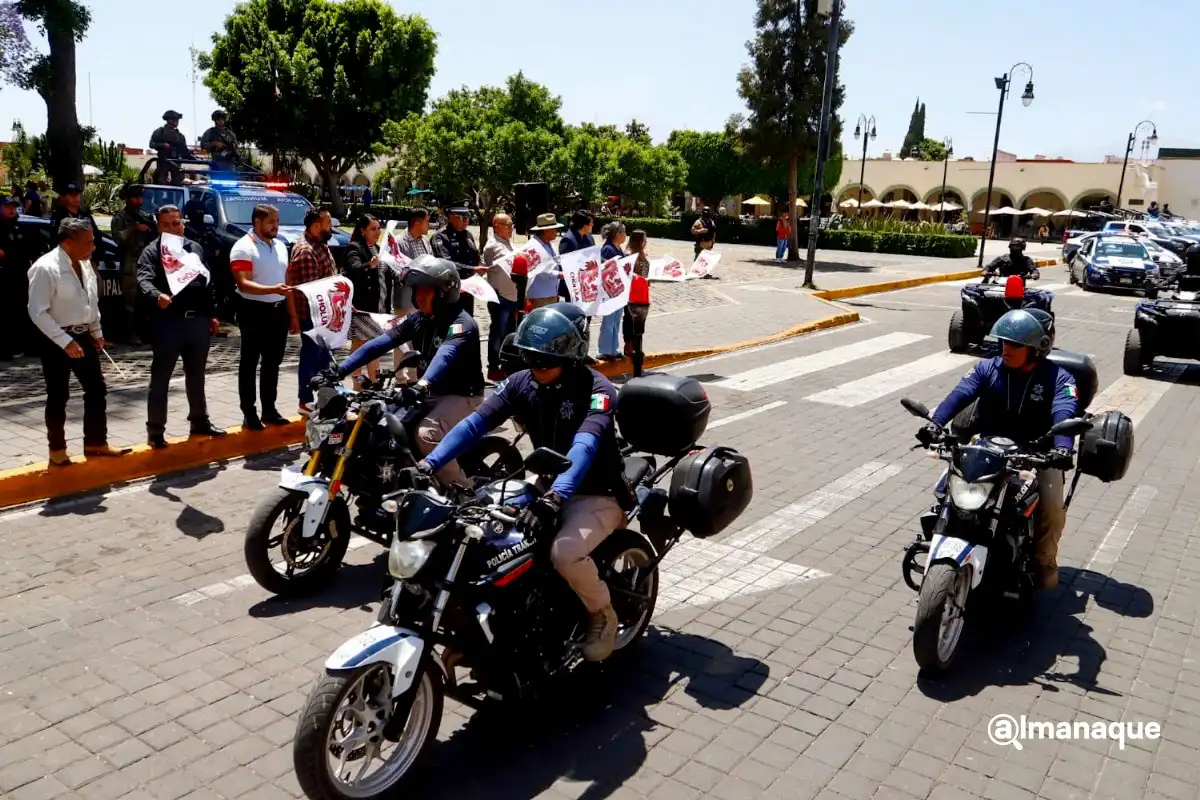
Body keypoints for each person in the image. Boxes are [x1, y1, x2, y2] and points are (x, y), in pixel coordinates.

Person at [417, 303, 626, 661]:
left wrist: (555, 498)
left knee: (565, 553)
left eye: (545, 360)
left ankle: (602, 613)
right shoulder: (520, 382)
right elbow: (472, 425)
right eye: (531, 357)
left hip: (596, 492)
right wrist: (428, 462)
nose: (537, 367)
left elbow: (585, 445)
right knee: (483, 535)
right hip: (546, 484)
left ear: (572, 354)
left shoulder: (599, 389)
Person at [918, 309, 1077, 589]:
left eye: (1015, 344)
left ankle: (1044, 560)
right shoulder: (986, 368)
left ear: (1037, 347)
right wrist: (935, 423)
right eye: (1004, 342)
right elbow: (959, 395)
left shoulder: (1060, 378)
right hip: (987, 447)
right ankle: (939, 539)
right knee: (946, 488)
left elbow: (1064, 412)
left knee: (1052, 509)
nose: (1007, 349)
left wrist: (1062, 449)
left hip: (1037, 455)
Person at [322, 256, 484, 485]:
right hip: (428, 393)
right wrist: (339, 369)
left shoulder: (461, 324)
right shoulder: (419, 319)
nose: (418, 296)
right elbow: (382, 342)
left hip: (462, 396)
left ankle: (461, 490)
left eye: (425, 291)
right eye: (416, 290)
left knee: (426, 435)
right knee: (381, 425)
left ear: (442, 292)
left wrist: (422, 384)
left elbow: (444, 356)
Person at [27, 218, 131, 464]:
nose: (93, 247)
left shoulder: (84, 265)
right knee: (58, 395)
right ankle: (57, 450)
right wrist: (65, 341)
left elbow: (90, 302)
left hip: (83, 334)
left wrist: (96, 332)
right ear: (67, 242)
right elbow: (37, 311)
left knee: (96, 389)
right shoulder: (46, 268)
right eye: (88, 242)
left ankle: (96, 442)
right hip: (55, 338)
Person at [137, 205, 227, 447]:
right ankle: (155, 431)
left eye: (177, 223)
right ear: (159, 227)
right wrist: (157, 295)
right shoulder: (152, 252)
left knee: (197, 376)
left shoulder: (193, 248)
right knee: (161, 378)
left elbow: (208, 282)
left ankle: (199, 421)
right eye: (167, 224)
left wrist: (212, 314)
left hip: (197, 321)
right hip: (168, 323)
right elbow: (143, 279)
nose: (173, 228)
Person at [230, 204, 292, 429]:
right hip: (253, 311)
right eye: (271, 221)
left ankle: (269, 409)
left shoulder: (281, 246)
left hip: (278, 310)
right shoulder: (243, 247)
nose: (276, 225)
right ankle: (249, 412)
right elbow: (243, 283)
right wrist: (272, 290)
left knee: (272, 363)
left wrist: (291, 314)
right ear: (257, 222)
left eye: (277, 221)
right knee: (249, 362)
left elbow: (287, 281)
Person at [285, 208, 337, 414]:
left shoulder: (320, 245)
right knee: (311, 358)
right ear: (316, 225)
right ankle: (305, 400)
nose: (331, 227)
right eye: (328, 223)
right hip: (313, 316)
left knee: (325, 359)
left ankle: (326, 398)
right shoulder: (306, 251)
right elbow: (313, 291)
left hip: (324, 316)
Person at [343, 213, 390, 385]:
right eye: (373, 229)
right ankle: (357, 385)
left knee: (376, 346)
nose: (377, 232)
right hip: (362, 307)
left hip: (379, 308)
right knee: (360, 346)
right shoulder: (355, 248)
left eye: (378, 228)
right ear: (362, 231)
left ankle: (374, 383)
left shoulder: (378, 249)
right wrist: (369, 265)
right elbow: (354, 268)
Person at [110, 184, 155, 345]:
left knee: (147, 299)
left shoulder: (145, 215)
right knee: (130, 302)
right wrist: (133, 228)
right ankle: (130, 334)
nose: (138, 201)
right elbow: (119, 239)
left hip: (146, 261)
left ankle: (147, 332)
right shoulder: (119, 218)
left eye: (140, 197)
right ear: (127, 199)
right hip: (130, 262)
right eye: (135, 197)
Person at [481, 213, 520, 381]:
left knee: (510, 332)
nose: (511, 229)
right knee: (498, 332)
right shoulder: (492, 246)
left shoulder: (508, 243)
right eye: (508, 225)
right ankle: (493, 366)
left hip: (512, 296)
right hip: (500, 297)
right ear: (496, 225)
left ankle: (507, 363)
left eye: (512, 225)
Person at [432, 204, 487, 316]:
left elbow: (475, 255)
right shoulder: (440, 237)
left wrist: (480, 265)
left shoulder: (468, 235)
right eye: (462, 218)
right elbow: (445, 263)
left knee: (467, 321)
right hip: (449, 290)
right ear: (451, 217)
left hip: (468, 290)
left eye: (468, 218)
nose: (466, 222)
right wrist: (471, 270)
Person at [0, 194, 34, 359]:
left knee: (23, 312)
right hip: (3, 276)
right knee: (5, 315)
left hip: (20, 276)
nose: (12, 209)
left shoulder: (21, 227)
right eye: (7, 206)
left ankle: (28, 347)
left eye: (14, 206)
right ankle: (5, 350)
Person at [597, 222, 627, 360]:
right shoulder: (608, 249)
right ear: (617, 234)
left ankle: (613, 349)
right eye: (624, 232)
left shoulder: (618, 247)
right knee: (609, 321)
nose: (625, 235)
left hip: (618, 290)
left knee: (615, 320)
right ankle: (604, 350)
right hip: (610, 290)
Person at [396, 207, 433, 315]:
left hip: (425, 301)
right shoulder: (398, 242)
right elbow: (394, 270)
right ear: (417, 222)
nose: (429, 224)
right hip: (406, 301)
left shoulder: (425, 242)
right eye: (427, 221)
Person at [527, 212, 565, 309]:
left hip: (551, 293)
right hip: (539, 296)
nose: (556, 231)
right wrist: (559, 274)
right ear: (545, 231)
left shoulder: (550, 244)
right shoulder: (532, 246)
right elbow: (538, 269)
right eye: (553, 229)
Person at [149, 110, 191, 186]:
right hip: (163, 161)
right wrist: (162, 145)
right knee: (161, 182)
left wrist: (190, 154)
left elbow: (184, 151)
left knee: (177, 184)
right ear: (170, 120)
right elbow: (151, 144)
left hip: (176, 162)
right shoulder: (160, 132)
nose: (177, 122)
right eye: (176, 120)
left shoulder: (180, 136)